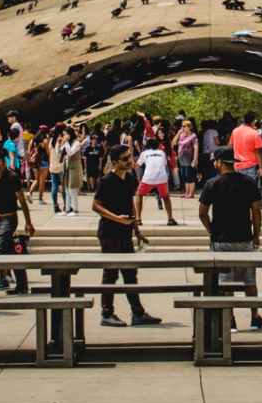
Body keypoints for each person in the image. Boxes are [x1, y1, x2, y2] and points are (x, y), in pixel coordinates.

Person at [198, 146, 262, 332]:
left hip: (221, 239)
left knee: (225, 280)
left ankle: (230, 319)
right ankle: (254, 317)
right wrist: (257, 235)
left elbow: (202, 213)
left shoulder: (211, 183)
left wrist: (211, 230)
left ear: (219, 162)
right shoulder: (248, 182)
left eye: (215, 161)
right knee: (249, 279)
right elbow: (257, 211)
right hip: (244, 237)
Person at [91, 144, 161, 327]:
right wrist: (116, 218)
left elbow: (131, 203)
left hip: (125, 233)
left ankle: (138, 313)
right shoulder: (107, 180)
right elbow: (95, 205)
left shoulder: (129, 179)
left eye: (129, 156)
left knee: (130, 273)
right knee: (110, 273)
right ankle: (107, 313)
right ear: (115, 162)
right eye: (125, 158)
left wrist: (137, 230)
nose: (129, 160)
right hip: (109, 232)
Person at [0, 146, 35, 296]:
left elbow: (22, 201)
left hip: (10, 219)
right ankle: (22, 285)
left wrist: (28, 222)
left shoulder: (12, 178)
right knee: (12, 251)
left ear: (0, 161)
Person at [135, 137, 177, 225]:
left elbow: (138, 165)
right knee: (165, 197)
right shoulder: (161, 152)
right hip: (162, 177)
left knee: (139, 195)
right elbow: (165, 165)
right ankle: (170, 218)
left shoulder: (144, 153)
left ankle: (138, 219)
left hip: (148, 177)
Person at [229, 111, 262, 184]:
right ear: (253, 121)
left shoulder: (235, 131)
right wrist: (261, 168)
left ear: (243, 120)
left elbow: (230, 146)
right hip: (250, 166)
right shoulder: (255, 133)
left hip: (237, 165)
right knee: (249, 190)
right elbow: (259, 151)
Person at [60, 127, 84, 216]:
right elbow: (59, 151)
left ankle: (76, 210)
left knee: (72, 189)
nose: (64, 136)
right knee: (66, 189)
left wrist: (66, 143)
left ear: (70, 134)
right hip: (67, 167)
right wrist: (61, 143)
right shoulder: (68, 143)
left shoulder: (76, 143)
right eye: (63, 135)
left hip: (74, 167)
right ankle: (67, 209)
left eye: (66, 134)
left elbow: (70, 153)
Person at [172, 119, 198, 199]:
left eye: (184, 126)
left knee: (189, 175)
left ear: (189, 127)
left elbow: (196, 147)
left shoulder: (193, 136)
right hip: (181, 159)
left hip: (189, 159)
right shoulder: (181, 135)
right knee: (184, 176)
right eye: (182, 126)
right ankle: (187, 192)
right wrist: (178, 133)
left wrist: (195, 158)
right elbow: (174, 143)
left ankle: (191, 192)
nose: (183, 128)